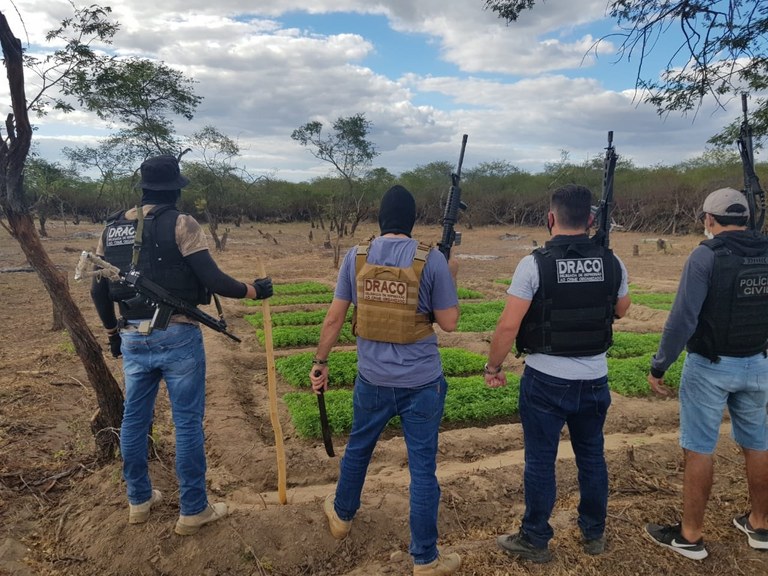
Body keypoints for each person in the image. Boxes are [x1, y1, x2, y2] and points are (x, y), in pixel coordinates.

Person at [90, 154, 273, 535]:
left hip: (132, 335)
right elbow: (213, 279)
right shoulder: (181, 223)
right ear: (174, 189)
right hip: (178, 335)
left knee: (134, 419)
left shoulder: (111, 229)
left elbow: (98, 289)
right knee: (187, 422)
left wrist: (112, 334)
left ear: (143, 188)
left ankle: (138, 500)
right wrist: (254, 290)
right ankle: (193, 509)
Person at [309, 185, 462, 576]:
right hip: (422, 383)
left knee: (359, 449)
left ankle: (342, 516)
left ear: (379, 219)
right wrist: (451, 275)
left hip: (372, 380)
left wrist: (320, 361)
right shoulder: (432, 259)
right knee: (423, 470)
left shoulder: (356, 256)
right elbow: (449, 322)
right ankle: (425, 558)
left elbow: (334, 318)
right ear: (412, 221)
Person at [483, 183, 631, 563]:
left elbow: (508, 326)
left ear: (551, 219)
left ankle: (535, 538)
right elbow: (621, 309)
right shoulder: (613, 261)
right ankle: (594, 534)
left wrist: (493, 366)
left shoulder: (534, 264)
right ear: (591, 220)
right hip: (594, 380)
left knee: (540, 461)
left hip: (545, 381)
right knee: (592, 457)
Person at [645, 187, 768, 560]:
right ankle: (760, 524)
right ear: (745, 218)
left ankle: (690, 536)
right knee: (758, 443)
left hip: (710, 365)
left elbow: (683, 318)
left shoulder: (706, 255)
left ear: (709, 219)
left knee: (699, 446)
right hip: (757, 361)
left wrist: (660, 365)